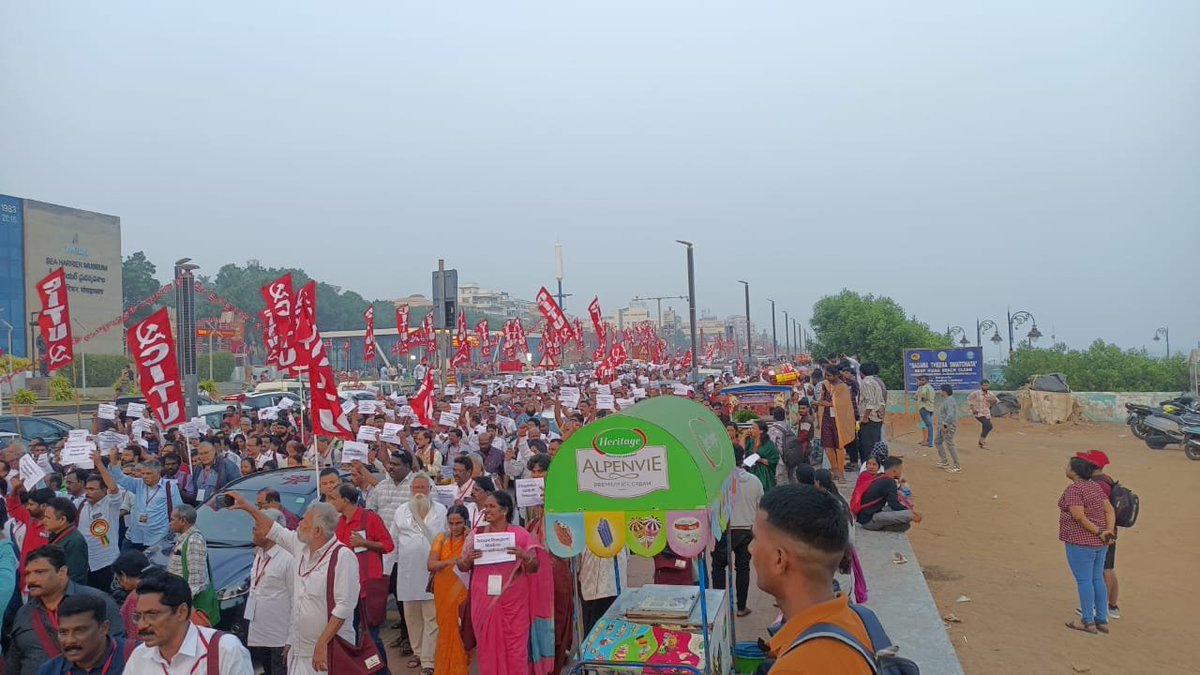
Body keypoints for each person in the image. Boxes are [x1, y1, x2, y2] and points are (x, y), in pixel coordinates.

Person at [750, 485, 876, 674]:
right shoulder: (858, 619)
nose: (750, 549)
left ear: (779, 560)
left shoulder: (795, 668)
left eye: (755, 539)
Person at [230, 495, 360, 675]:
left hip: (330, 651)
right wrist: (248, 507)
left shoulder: (343, 557)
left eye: (304, 522)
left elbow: (344, 607)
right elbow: (274, 530)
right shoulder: (301, 546)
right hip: (301, 650)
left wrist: (322, 644)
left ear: (317, 531)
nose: (298, 524)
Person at [458, 490, 553, 675]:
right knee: (486, 649)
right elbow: (461, 565)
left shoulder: (520, 535)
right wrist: (468, 560)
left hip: (513, 604)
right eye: (485, 506)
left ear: (505, 510)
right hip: (484, 603)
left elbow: (534, 568)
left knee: (515, 649)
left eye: (492, 506)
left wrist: (525, 557)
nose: (486, 510)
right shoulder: (476, 535)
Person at [7, 546, 125, 675]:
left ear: (62, 572)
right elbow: (14, 661)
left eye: (40, 572)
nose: (31, 580)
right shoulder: (24, 613)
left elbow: (117, 652)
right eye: (28, 573)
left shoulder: (97, 601)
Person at [125, 572, 253, 674]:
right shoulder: (140, 657)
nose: (142, 625)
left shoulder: (224, 650)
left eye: (152, 615)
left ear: (181, 612)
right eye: (138, 616)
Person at [392, 473, 447, 675]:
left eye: (423, 488)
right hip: (407, 574)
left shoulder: (441, 510)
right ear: (411, 490)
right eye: (416, 488)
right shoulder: (401, 511)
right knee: (412, 618)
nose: (420, 492)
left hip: (433, 573)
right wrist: (385, 571)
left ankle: (428, 661)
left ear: (430, 490)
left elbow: (448, 538)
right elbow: (393, 541)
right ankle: (418, 652)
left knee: (432, 617)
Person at [1059, 456, 1116, 635]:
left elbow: (1079, 516)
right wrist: (1107, 531)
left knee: (1084, 580)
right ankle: (1101, 619)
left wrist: (1098, 531)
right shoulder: (1095, 486)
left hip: (1081, 542)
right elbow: (1109, 509)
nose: (1066, 468)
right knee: (1096, 579)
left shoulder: (1075, 489)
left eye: (1068, 466)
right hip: (1100, 544)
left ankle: (1087, 621)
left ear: (1074, 472)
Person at [711, 450, 764, 617]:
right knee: (742, 568)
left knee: (719, 567)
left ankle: (720, 607)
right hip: (746, 529)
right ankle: (741, 607)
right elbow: (760, 507)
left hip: (725, 529)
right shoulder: (754, 481)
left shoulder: (720, 481)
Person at [35, 593, 136, 675]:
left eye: (79, 631)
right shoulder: (50, 671)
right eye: (63, 632)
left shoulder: (137, 657)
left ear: (103, 628)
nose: (70, 640)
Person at [246, 509, 294, 675]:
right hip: (260, 633)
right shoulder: (259, 553)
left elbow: (298, 600)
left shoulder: (288, 558)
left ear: (271, 530)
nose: (253, 530)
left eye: (257, 527)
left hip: (280, 637)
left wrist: (291, 638)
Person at [1076, 450, 1122, 619]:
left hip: (1103, 532)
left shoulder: (1099, 484)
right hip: (1109, 530)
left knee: (1104, 570)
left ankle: (1099, 607)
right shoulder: (1106, 480)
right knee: (1108, 568)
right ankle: (1112, 606)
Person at [427, 505, 470, 675]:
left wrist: (470, 539)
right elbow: (430, 564)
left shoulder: (472, 537)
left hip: (462, 591)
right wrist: (451, 561)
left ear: (465, 522)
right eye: (450, 523)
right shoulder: (441, 538)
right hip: (442, 590)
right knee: (445, 630)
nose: (454, 527)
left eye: (458, 523)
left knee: (461, 631)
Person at [108, 454, 182, 551]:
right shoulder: (138, 484)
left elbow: (178, 509)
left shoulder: (170, 487)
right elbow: (120, 478)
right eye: (143, 473)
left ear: (158, 472)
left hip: (157, 538)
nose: (145, 477)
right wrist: (113, 461)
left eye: (149, 473)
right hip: (136, 536)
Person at [165, 505, 218, 625]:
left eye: (173, 519)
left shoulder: (194, 540)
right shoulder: (184, 538)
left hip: (191, 605)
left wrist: (183, 603)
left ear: (183, 521)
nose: (170, 523)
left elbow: (196, 579)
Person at [79, 451, 123, 593]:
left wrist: (99, 464)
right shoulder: (81, 504)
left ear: (104, 490)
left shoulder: (110, 504)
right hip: (87, 562)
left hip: (106, 561)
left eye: (92, 489)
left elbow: (114, 488)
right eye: (86, 489)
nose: (88, 492)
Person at [855, 457, 923, 532]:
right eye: (900, 469)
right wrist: (911, 513)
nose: (901, 472)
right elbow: (894, 504)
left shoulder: (880, 476)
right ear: (895, 470)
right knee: (909, 515)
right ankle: (885, 527)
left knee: (905, 515)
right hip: (869, 520)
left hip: (866, 515)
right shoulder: (890, 482)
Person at [817, 367, 856, 482]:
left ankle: (840, 472)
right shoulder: (825, 385)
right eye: (826, 376)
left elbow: (842, 405)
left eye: (829, 376)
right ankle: (834, 470)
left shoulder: (843, 387)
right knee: (828, 446)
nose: (827, 378)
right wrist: (827, 403)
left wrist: (830, 403)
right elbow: (822, 401)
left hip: (839, 420)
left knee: (839, 446)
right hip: (826, 418)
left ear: (835, 375)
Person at [41, 497, 90, 585]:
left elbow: (75, 576)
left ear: (62, 520)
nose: (43, 521)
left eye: (47, 517)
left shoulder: (75, 541)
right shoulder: (55, 534)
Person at [112, 549, 149, 638]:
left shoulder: (135, 597)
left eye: (118, 578)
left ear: (123, 575)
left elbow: (133, 631)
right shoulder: (160, 583)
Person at [857, 363, 887, 453]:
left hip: (870, 418)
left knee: (867, 445)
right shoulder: (876, 381)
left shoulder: (866, 382)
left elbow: (870, 402)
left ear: (861, 372)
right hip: (877, 417)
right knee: (875, 443)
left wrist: (865, 418)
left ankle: (869, 464)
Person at [744, 421, 778, 491]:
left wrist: (760, 460)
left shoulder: (768, 444)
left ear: (761, 431)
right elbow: (743, 451)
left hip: (764, 475)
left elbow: (774, 460)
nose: (751, 430)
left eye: (754, 428)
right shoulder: (750, 442)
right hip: (750, 472)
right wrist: (744, 436)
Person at [935, 384, 961, 473]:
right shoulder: (946, 400)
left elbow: (951, 415)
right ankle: (944, 460)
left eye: (941, 390)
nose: (940, 392)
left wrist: (945, 424)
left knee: (950, 444)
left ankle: (957, 466)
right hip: (942, 425)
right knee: (937, 441)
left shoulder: (950, 401)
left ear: (944, 392)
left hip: (947, 426)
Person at [967, 379, 1000, 448]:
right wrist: (973, 409)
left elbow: (996, 401)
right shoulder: (976, 393)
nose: (985, 387)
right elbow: (969, 400)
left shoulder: (990, 394)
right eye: (984, 385)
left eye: (987, 385)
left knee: (986, 426)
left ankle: (981, 440)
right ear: (981, 386)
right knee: (989, 425)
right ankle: (982, 440)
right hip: (978, 412)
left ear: (989, 386)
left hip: (986, 412)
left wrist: (991, 400)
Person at [913, 375, 936, 447]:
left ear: (923, 381)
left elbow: (920, 395)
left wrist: (921, 399)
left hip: (924, 407)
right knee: (926, 424)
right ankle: (926, 440)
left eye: (918, 381)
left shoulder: (924, 388)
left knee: (928, 425)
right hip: (930, 407)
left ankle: (929, 442)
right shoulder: (930, 387)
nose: (917, 382)